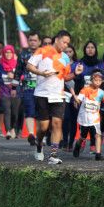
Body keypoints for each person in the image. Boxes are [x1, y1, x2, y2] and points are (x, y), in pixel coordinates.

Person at [26, 29, 82, 164]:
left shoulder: (65, 58)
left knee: (57, 124)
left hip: (58, 95)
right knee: (43, 127)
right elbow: (29, 65)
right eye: (64, 42)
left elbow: (65, 77)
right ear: (57, 39)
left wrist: (75, 73)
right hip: (42, 94)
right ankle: (39, 145)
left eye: (67, 43)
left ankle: (53, 154)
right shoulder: (42, 51)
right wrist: (41, 73)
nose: (65, 45)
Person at [72, 69, 104, 161]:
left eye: (99, 81)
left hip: (95, 118)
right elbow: (79, 100)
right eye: (95, 80)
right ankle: (77, 146)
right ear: (91, 81)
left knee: (98, 134)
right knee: (83, 137)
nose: (97, 82)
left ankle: (98, 154)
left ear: (102, 81)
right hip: (84, 118)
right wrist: (75, 98)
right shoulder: (85, 90)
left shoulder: (101, 92)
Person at [73, 41, 102, 155]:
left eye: (92, 47)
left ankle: (94, 146)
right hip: (83, 98)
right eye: (88, 47)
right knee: (85, 127)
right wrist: (76, 98)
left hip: (96, 99)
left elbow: (103, 82)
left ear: (95, 50)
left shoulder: (99, 64)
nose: (90, 49)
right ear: (85, 49)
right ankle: (80, 143)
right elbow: (77, 81)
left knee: (95, 124)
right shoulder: (80, 63)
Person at [13, 32, 41, 146]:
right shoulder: (23, 54)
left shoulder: (44, 54)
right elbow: (18, 71)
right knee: (29, 110)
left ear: (39, 42)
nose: (33, 42)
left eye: (35, 40)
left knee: (40, 112)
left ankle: (40, 136)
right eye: (30, 40)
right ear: (28, 41)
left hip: (42, 88)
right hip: (27, 87)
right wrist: (14, 87)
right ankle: (31, 134)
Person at [0, 45, 19, 140]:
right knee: (7, 110)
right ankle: (8, 130)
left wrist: (13, 76)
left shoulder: (17, 64)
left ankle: (13, 128)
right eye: (6, 52)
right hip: (4, 90)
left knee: (15, 112)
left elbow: (21, 76)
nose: (8, 54)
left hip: (15, 91)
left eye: (10, 52)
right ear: (3, 53)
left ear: (13, 53)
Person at [61, 43, 78, 151]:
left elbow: (80, 81)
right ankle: (65, 141)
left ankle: (71, 142)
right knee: (65, 118)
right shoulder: (61, 65)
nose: (68, 54)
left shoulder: (77, 65)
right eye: (65, 52)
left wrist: (77, 96)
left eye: (70, 51)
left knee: (73, 119)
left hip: (76, 95)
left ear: (73, 53)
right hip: (63, 95)